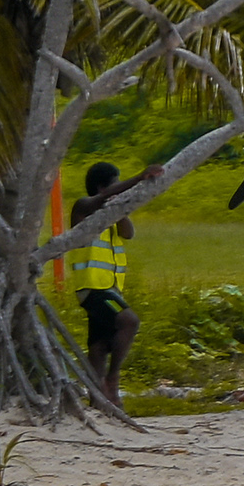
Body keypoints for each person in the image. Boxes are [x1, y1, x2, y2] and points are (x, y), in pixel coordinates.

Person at [71, 160, 138, 414]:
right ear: (102, 188)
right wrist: (139, 177)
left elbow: (128, 233)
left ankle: (97, 397)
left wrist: (120, 210)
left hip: (110, 287)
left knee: (99, 344)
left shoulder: (112, 215)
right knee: (129, 321)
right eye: (115, 184)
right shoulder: (83, 207)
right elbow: (98, 200)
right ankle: (112, 378)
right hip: (93, 287)